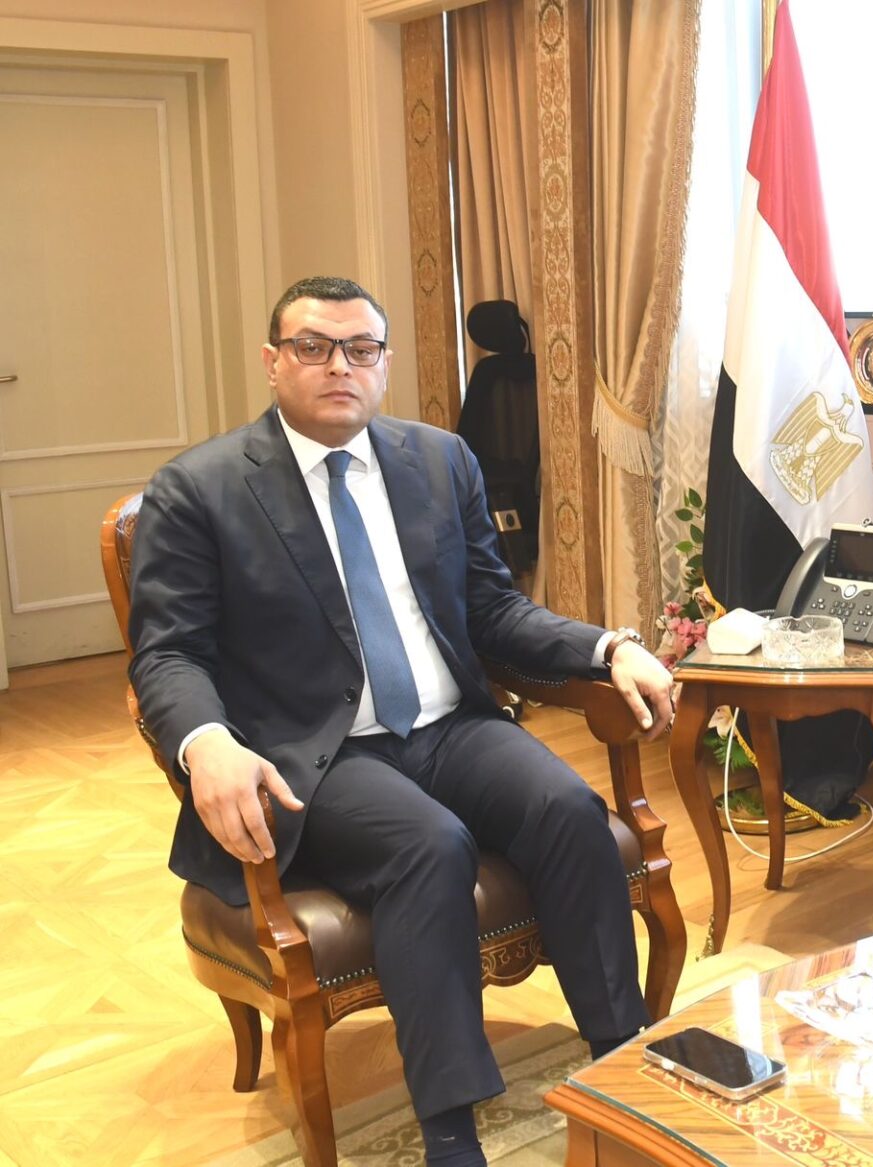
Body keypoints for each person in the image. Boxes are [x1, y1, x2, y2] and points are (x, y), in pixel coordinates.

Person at [128, 276, 675, 1167]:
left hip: (449, 726)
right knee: (430, 844)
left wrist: (607, 647)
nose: (339, 366)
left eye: (361, 349)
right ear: (273, 361)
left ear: (383, 363)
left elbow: (493, 610)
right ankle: (450, 1131)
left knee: (570, 811)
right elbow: (167, 653)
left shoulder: (438, 460)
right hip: (318, 755)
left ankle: (622, 1061)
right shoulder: (200, 488)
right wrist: (208, 741)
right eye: (313, 347)